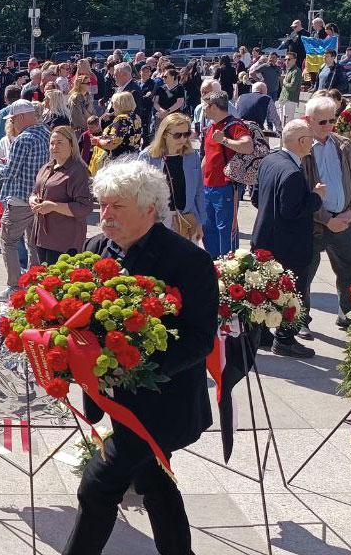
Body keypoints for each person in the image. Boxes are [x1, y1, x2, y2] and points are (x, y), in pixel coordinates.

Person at [65, 159, 217, 555]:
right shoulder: (95, 249)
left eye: (117, 206)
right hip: (114, 402)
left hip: (164, 407)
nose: (106, 215)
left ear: (149, 209)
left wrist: (134, 368)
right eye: (103, 205)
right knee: (155, 484)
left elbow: (200, 339)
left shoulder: (189, 261)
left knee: (97, 486)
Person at [252, 119, 325, 358]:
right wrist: (315, 196)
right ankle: (285, 339)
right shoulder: (292, 172)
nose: (312, 144)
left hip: (265, 238)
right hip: (289, 246)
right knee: (293, 293)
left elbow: (255, 198)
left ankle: (261, 334)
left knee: (265, 290)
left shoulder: (269, 160)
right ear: (301, 141)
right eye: (310, 140)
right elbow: (291, 211)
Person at [301, 95, 351, 336]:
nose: (328, 126)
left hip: (344, 219)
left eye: (332, 120)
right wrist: (327, 219)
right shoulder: (302, 148)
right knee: (304, 271)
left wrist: (350, 211)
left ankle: (348, 314)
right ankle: (300, 320)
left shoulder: (343, 145)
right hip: (314, 223)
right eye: (322, 122)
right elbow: (301, 192)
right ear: (308, 120)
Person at [0, 100, 49, 301]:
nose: (13, 123)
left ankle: (14, 286)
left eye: (14, 119)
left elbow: (10, 172)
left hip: (19, 199)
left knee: (8, 241)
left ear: (22, 117)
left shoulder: (22, 139)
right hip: (40, 198)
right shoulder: (46, 133)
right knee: (33, 243)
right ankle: (34, 284)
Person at [199, 90, 253, 257]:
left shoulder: (234, 125)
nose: (203, 110)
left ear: (213, 106)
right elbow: (207, 157)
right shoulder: (211, 127)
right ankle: (213, 264)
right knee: (209, 228)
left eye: (205, 106)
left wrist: (224, 140)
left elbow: (248, 146)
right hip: (208, 186)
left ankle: (228, 266)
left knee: (226, 228)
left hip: (226, 186)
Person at [29, 127, 93, 265]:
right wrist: (33, 199)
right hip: (42, 236)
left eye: (59, 143)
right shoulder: (47, 167)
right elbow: (36, 190)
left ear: (71, 145)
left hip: (64, 240)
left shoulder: (78, 171)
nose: (54, 147)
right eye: (52, 143)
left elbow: (85, 207)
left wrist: (53, 206)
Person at [140, 113, 206, 242]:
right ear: (164, 134)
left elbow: (199, 191)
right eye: (177, 135)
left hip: (186, 218)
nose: (182, 139)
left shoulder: (192, 157)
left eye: (186, 134)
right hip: (157, 220)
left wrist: (200, 223)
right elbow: (140, 191)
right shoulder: (147, 156)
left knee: (186, 260)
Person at [93, 91, 143, 161]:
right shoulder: (136, 116)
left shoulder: (121, 119)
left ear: (119, 104)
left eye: (113, 103)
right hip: (134, 157)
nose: (112, 106)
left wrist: (97, 141)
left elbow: (111, 145)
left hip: (121, 160)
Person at [278, 51, 303, 124]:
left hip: (290, 100)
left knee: (287, 123)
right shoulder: (289, 70)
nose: (286, 61)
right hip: (283, 99)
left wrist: (284, 82)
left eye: (289, 59)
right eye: (285, 59)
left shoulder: (296, 71)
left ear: (294, 60)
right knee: (281, 122)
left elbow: (292, 87)